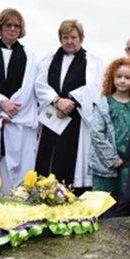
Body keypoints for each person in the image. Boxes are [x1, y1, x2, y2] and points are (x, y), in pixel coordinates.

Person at [34, 20, 104, 191]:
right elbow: (39, 84)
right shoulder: (48, 60)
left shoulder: (92, 62)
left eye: (73, 37)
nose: (69, 41)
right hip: (52, 118)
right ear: (60, 39)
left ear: (81, 38)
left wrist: (71, 100)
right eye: (65, 37)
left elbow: (95, 88)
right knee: (48, 162)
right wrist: (57, 101)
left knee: (73, 167)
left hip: (77, 119)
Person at [0, 8, 41, 192]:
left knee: (20, 181)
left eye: (16, 26)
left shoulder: (29, 56)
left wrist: (10, 111)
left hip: (19, 123)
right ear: (0, 27)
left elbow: (30, 88)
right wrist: (0, 103)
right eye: (8, 25)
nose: (12, 29)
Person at [89, 57, 130, 199]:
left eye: (128, 77)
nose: (122, 81)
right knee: (102, 204)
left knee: (127, 203)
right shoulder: (103, 104)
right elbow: (96, 133)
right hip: (106, 166)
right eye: (119, 76)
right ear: (112, 77)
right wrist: (112, 159)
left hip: (129, 165)